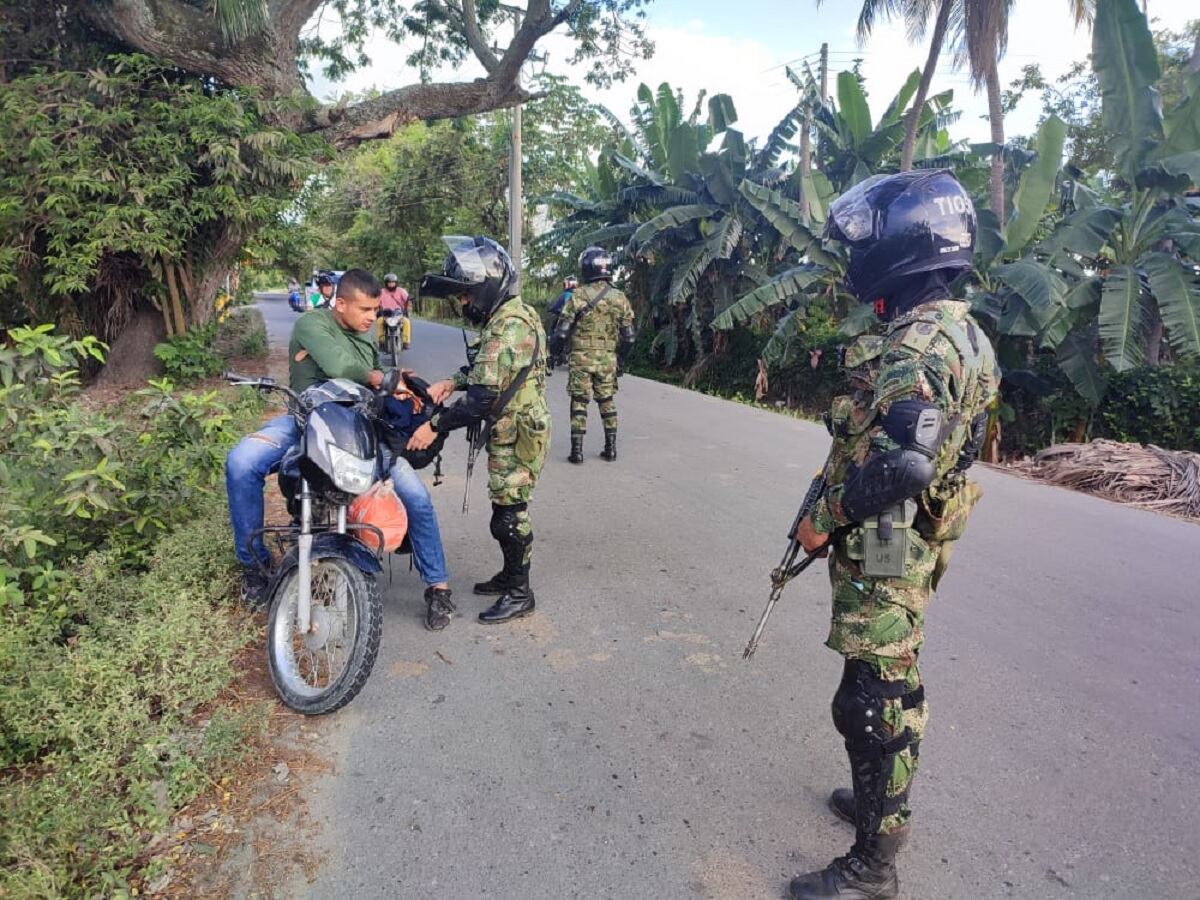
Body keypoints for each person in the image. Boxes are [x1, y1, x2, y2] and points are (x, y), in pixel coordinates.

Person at [785, 170, 1000, 900]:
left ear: (906, 244)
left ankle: (872, 866)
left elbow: (905, 464)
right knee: (891, 680)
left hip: (887, 538)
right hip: (912, 538)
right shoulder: (965, 333)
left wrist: (825, 519)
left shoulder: (916, 345)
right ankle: (880, 805)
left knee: (871, 698)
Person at [225, 268, 454, 631]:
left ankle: (438, 587)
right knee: (242, 462)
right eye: (364, 310)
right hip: (305, 421)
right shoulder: (311, 324)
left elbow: (373, 371)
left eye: (375, 311)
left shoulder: (367, 335)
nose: (371, 318)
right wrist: (383, 378)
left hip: (359, 426)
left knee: (415, 494)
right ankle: (254, 566)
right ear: (341, 303)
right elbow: (339, 366)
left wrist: (398, 383)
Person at [406, 235, 550, 625]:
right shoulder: (509, 317)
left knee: (509, 516)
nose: (464, 303)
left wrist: (434, 426)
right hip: (513, 428)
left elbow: (482, 400)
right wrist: (452, 381)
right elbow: (489, 371)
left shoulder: (508, 326)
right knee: (504, 511)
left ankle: (521, 593)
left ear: (486, 287)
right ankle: (510, 575)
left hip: (518, 433)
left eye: (467, 295)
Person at [549, 246, 635, 464]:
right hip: (608, 359)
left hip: (581, 358)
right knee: (607, 400)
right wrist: (621, 360)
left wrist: (553, 355)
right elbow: (629, 338)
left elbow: (560, 333)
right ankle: (611, 448)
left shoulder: (578, 296)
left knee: (579, 401)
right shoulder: (620, 298)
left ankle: (577, 452)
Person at [377, 272, 412, 350]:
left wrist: (408, 307)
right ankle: (381, 342)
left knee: (406, 322)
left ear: (396, 283)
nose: (391, 284)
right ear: (386, 283)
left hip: (398, 314)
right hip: (386, 314)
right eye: (390, 282)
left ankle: (405, 342)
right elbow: (376, 302)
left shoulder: (401, 291)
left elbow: (407, 300)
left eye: (393, 282)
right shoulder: (381, 292)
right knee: (379, 321)